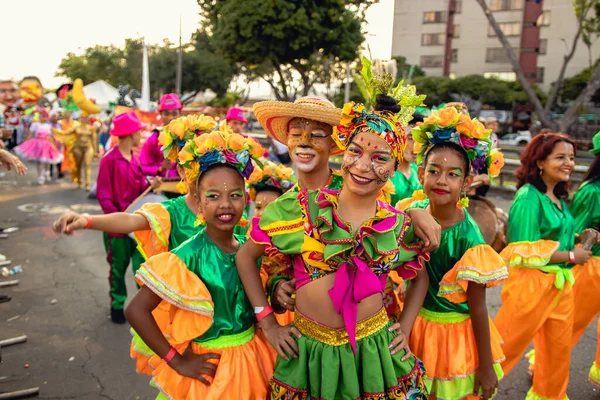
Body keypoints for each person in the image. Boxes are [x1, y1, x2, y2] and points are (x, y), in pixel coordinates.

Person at [237, 96, 435, 399]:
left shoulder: (397, 224)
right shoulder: (300, 209)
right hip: (308, 353)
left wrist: (405, 328)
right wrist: (267, 324)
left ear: (396, 167)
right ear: (344, 153)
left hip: (374, 352)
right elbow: (245, 257)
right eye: (355, 151)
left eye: (380, 158)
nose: (364, 165)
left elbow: (420, 275)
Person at [253, 96, 440, 321]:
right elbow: (270, 260)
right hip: (310, 326)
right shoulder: (286, 207)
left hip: (374, 322)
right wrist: (276, 286)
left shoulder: (360, 182)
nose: (304, 142)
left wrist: (414, 212)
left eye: (318, 134)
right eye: (296, 134)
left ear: (334, 143)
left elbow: (387, 218)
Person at [125, 129, 275, 399]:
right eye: (214, 196)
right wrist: (177, 361)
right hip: (212, 370)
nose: (225, 205)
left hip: (254, 357)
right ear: (199, 201)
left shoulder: (249, 247)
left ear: (246, 199)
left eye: (235, 195)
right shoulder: (188, 254)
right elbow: (136, 310)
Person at [407, 106, 507, 400]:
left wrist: (486, 365)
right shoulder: (411, 212)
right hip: (416, 324)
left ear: (466, 184)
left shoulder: (470, 238)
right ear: (421, 174)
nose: (441, 181)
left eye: (453, 175)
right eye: (434, 171)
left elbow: (478, 307)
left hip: (454, 336)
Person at [494, 133, 591, 400]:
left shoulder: (557, 197)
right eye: (560, 157)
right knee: (502, 350)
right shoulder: (529, 197)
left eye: (571, 157)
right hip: (530, 284)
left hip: (561, 287)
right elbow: (524, 251)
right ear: (540, 162)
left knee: (557, 354)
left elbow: (555, 238)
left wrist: (578, 240)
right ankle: (466, 393)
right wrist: (573, 256)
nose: (569, 163)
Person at [95, 111, 154, 324]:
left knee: (142, 269)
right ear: (130, 134)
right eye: (138, 132)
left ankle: (143, 308)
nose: (140, 135)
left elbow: (140, 189)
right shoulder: (109, 160)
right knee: (118, 269)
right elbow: (104, 196)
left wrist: (151, 185)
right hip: (117, 229)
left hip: (135, 227)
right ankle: (117, 305)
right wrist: (118, 221)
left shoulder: (135, 159)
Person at [567, 131, 600, 387]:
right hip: (592, 267)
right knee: (572, 323)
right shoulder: (591, 192)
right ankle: (544, 364)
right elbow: (574, 233)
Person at [246, 160, 297, 325]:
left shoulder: (290, 240)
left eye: (270, 208)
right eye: (259, 207)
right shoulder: (246, 236)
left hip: (284, 312)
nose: (261, 213)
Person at [139, 93, 182, 182]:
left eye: (174, 113)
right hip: (162, 187)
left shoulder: (188, 136)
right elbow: (142, 167)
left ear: (180, 113)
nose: (170, 117)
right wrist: (160, 168)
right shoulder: (153, 139)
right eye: (166, 113)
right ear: (160, 114)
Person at [14, 109, 63, 185]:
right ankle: (40, 176)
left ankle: (47, 171)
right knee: (39, 162)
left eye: (43, 117)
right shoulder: (35, 125)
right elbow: (30, 134)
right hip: (38, 144)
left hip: (46, 144)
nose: (41, 118)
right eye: (40, 117)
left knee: (47, 160)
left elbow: (50, 136)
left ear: (46, 118)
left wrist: (54, 145)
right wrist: (26, 142)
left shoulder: (48, 126)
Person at [53, 112, 99, 190]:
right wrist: (57, 132)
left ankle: (88, 184)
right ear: (80, 118)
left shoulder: (91, 128)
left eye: (85, 117)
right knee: (78, 165)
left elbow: (94, 140)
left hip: (88, 148)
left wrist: (95, 151)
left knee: (88, 165)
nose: (84, 119)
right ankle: (79, 181)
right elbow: (66, 133)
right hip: (78, 148)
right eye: (82, 117)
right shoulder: (76, 127)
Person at [390, 114, 423, 206]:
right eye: (411, 139)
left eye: (420, 139)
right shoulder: (385, 172)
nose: (417, 146)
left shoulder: (418, 171)